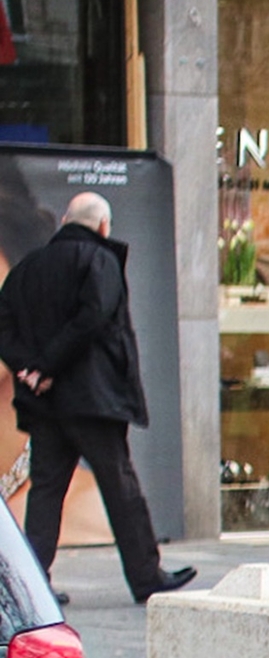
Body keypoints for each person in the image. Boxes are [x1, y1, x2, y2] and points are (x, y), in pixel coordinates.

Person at [0, 192, 192, 601]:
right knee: (121, 488)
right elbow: (93, 318)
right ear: (103, 226)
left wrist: (32, 370)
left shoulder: (28, 268)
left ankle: (32, 589)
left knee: (46, 492)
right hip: (93, 400)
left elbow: (4, 328)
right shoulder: (99, 261)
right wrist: (46, 367)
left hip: (44, 405)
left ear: (66, 220)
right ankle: (146, 576)